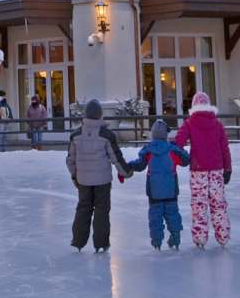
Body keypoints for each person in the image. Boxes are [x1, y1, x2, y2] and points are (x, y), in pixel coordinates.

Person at [66, 99, 131, 253]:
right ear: (100, 115)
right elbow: (116, 157)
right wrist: (126, 172)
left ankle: (78, 241)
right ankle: (101, 243)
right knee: (102, 211)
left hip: (83, 181)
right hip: (102, 182)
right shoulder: (106, 135)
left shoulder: (76, 135)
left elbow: (70, 160)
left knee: (83, 209)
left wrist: (75, 176)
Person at [174, 91, 232, 249]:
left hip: (198, 170)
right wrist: (228, 168)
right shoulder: (217, 124)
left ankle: (200, 237)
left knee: (199, 204)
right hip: (216, 170)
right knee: (218, 203)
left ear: (194, 106)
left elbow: (178, 143)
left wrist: (182, 159)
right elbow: (224, 148)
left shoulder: (189, 123)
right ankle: (223, 236)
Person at [128, 119, 190, 250]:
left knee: (155, 217)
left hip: (154, 192)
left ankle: (157, 242)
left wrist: (128, 166)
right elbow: (186, 160)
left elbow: (140, 165)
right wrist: (178, 147)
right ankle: (176, 237)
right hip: (171, 191)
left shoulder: (148, 150)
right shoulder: (172, 150)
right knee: (172, 214)